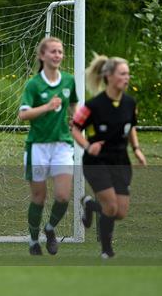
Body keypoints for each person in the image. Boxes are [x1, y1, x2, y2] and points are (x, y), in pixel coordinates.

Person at [71, 55, 147, 259]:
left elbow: (131, 127)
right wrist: (88, 145)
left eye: (128, 74)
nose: (127, 77)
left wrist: (137, 148)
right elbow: (75, 128)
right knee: (111, 206)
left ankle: (89, 204)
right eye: (122, 73)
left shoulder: (130, 103)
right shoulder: (93, 106)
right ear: (109, 76)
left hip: (120, 162)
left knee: (120, 212)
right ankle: (106, 250)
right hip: (96, 162)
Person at [18, 37, 78, 255]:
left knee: (63, 196)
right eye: (53, 52)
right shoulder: (34, 84)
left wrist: (74, 119)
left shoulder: (69, 80)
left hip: (62, 145)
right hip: (38, 147)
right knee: (39, 198)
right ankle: (34, 241)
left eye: (60, 52)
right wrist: (47, 106)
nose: (57, 55)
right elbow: (23, 114)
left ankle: (50, 228)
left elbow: (73, 104)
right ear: (42, 56)